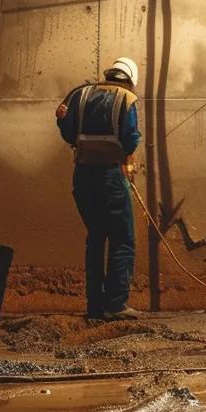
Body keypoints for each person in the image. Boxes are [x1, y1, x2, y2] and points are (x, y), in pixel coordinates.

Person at [55, 57, 143, 322]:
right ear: (130, 80)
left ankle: (95, 305)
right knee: (122, 239)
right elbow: (130, 140)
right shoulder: (126, 99)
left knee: (96, 238)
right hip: (110, 177)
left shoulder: (81, 94)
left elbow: (68, 133)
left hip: (83, 176)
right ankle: (116, 304)